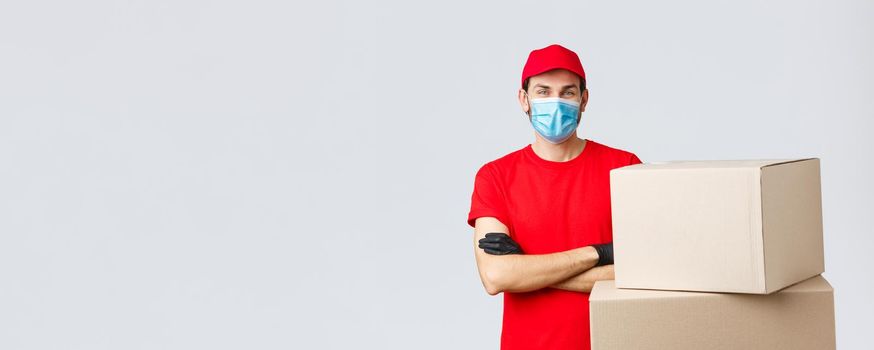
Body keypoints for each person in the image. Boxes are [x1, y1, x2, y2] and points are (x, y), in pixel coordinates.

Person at [466, 44, 643, 350]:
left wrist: (526, 269)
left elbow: (647, 271)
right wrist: (599, 253)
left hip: (612, 341)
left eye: (568, 93)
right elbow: (496, 275)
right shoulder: (495, 176)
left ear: (584, 100)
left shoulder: (625, 168)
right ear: (524, 99)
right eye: (543, 91)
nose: (556, 102)